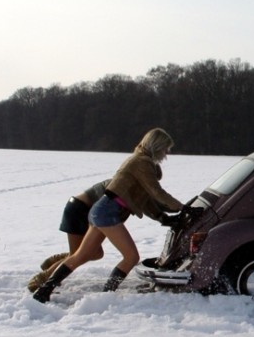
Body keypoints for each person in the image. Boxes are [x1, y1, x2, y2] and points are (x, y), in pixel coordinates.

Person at [33, 128, 187, 303]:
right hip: (107, 212)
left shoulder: (139, 161)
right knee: (131, 257)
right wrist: (182, 207)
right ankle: (107, 295)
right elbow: (157, 192)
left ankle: (44, 291)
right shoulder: (142, 162)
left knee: (81, 255)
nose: (167, 153)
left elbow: (146, 201)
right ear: (156, 145)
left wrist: (164, 217)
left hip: (101, 210)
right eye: (166, 148)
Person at [27, 179, 111, 292]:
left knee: (95, 254)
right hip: (79, 210)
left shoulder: (125, 181)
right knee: (81, 255)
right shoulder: (121, 183)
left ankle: (59, 258)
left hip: (84, 210)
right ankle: (44, 277)